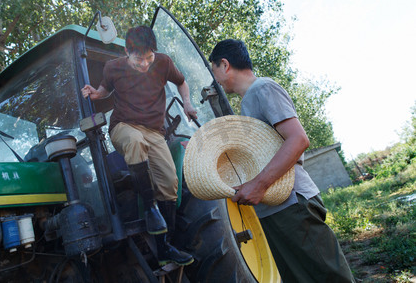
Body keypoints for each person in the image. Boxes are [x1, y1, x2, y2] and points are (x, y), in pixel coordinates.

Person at [208, 39, 355, 282]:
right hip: (275, 210)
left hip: (293, 205)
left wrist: (259, 185)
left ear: (224, 65)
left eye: (214, 71)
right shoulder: (248, 101)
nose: (218, 80)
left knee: (329, 277)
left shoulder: (263, 88)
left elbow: (298, 139)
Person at [81, 25, 195, 266]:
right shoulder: (113, 68)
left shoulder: (163, 63)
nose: (144, 64)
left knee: (170, 181)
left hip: (155, 132)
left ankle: (165, 247)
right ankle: (150, 208)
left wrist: (187, 102)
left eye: (148, 58)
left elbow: (182, 83)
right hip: (124, 126)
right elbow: (104, 90)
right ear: (126, 52)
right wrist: (95, 93)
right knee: (134, 142)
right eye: (138, 59)